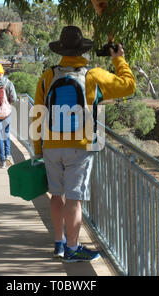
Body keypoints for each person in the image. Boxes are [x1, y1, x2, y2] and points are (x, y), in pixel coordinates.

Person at [32, 26, 136, 262]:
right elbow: (129, 86)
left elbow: (37, 112)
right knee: (74, 199)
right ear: (83, 50)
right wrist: (119, 59)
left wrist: (38, 148)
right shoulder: (93, 75)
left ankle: (59, 244)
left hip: (51, 144)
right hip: (80, 145)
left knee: (56, 196)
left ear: (61, 50)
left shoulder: (48, 75)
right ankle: (73, 248)